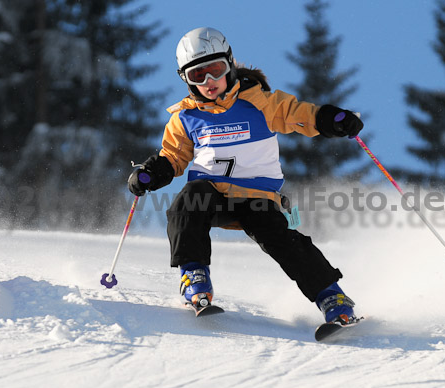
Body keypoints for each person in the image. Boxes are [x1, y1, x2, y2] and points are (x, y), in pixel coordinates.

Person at [128, 27, 363, 324]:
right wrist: (151, 174)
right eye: (197, 76)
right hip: (212, 197)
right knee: (188, 200)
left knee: (279, 238)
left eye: (215, 70)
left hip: (257, 198)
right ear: (185, 80)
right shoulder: (185, 117)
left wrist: (332, 120)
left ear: (230, 64)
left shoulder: (260, 103)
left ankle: (332, 296)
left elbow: (299, 114)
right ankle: (194, 276)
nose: (209, 82)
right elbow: (173, 157)